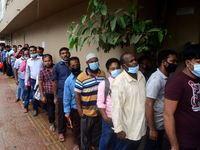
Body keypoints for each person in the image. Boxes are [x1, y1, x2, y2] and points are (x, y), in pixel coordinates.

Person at [163, 44, 200, 150]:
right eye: (198, 62)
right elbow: (167, 115)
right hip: (180, 144)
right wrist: (174, 146)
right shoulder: (176, 82)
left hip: (195, 143)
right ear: (188, 63)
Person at [110, 52, 146, 150]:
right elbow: (116, 107)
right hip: (127, 130)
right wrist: (119, 130)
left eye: (135, 60)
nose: (135, 62)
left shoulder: (141, 76)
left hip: (140, 126)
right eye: (131, 61)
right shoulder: (119, 82)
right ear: (124, 66)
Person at [144, 50, 178, 150]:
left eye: (176, 62)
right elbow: (148, 104)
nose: (175, 64)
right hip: (157, 126)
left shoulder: (169, 77)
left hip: (165, 124)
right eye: (173, 61)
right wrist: (152, 129)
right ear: (164, 62)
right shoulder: (156, 79)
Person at [75, 53, 106, 150]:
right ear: (87, 63)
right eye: (91, 61)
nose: (94, 63)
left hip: (99, 111)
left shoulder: (103, 74)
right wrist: (80, 111)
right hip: (86, 111)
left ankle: (95, 146)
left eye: (95, 61)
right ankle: (84, 147)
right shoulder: (81, 76)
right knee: (85, 133)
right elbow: (77, 95)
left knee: (97, 131)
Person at [97, 58, 121, 150]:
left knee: (117, 139)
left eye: (118, 68)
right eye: (113, 69)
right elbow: (100, 102)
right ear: (108, 71)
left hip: (121, 118)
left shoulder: (123, 82)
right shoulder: (104, 83)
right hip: (109, 118)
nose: (116, 70)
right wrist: (105, 117)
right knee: (105, 139)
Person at [52, 47, 71, 142]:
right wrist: (55, 97)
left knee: (73, 113)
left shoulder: (73, 64)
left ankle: (71, 126)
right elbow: (54, 82)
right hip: (62, 94)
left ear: (69, 54)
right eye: (63, 53)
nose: (65, 55)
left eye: (67, 53)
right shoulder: (57, 66)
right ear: (60, 55)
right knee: (61, 114)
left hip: (73, 94)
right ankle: (61, 132)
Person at [63, 57, 82, 150]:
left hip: (87, 106)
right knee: (76, 126)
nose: (75, 67)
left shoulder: (86, 76)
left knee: (87, 125)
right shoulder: (68, 81)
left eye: (77, 65)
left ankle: (87, 141)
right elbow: (66, 97)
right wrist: (67, 111)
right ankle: (76, 142)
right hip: (75, 108)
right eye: (73, 66)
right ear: (69, 67)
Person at [38, 54, 55, 131]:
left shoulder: (56, 68)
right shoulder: (42, 71)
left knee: (62, 108)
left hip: (59, 92)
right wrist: (42, 96)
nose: (47, 62)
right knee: (51, 109)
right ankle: (52, 123)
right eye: (45, 61)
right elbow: (40, 84)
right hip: (49, 93)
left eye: (48, 60)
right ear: (43, 62)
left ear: (51, 60)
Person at [25, 46, 43, 116]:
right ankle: (35, 109)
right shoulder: (29, 61)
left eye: (33, 50)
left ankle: (44, 108)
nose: (32, 52)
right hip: (33, 81)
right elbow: (27, 72)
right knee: (34, 95)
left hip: (41, 80)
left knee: (43, 94)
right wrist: (26, 83)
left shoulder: (41, 59)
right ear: (29, 52)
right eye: (31, 51)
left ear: (36, 51)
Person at [20, 48, 31, 113]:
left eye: (28, 54)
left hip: (33, 80)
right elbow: (21, 70)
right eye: (25, 55)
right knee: (26, 95)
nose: (27, 56)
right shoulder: (23, 62)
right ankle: (25, 107)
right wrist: (25, 63)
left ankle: (35, 106)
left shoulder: (32, 61)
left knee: (33, 94)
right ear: (23, 56)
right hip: (27, 81)